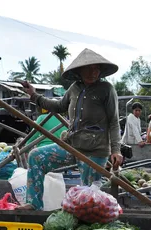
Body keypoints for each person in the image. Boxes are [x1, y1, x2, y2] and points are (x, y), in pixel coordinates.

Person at [20, 48, 122, 210]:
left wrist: (116, 150)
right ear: (79, 71)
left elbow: (114, 122)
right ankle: (34, 204)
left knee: (88, 198)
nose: (92, 72)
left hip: (94, 151)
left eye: (96, 69)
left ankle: (88, 227)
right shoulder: (74, 88)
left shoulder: (106, 90)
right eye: (88, 68)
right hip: (72, 145)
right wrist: (34, 95)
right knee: (36, 157)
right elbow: (58, 105)